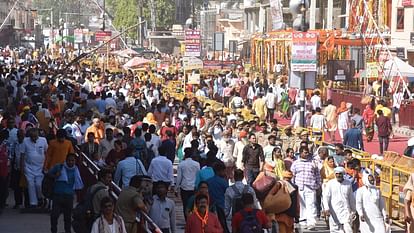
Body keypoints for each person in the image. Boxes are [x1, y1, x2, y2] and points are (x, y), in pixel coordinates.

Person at [48, 153, 84, 233]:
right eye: (69, 160)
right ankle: (53, 230)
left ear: (75, 161)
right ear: (66, 160)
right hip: (57, 195)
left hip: (69, 196)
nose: (70, 162)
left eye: (72, 161)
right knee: (54, 216)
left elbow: (78, 184)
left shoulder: (76, 170)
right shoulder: (59, 167)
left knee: (67, 217)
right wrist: (55, 176)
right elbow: (48, 173)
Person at [290, 146, 321, 230]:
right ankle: (303, 221)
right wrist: (293, 186)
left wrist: (318, 185)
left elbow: (317, 174)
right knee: (301, 205)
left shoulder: (313, 162)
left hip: (310, 186)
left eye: (307, 153)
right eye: (305, 152)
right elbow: (293, 175)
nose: (307, 154)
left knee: (311, 204)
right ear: (300, 153)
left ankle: (311, 222)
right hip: (300, 187)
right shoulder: (296, 163)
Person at [323, 166, 356, 233]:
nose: (338, 175)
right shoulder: (330, 183)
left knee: (348, 228)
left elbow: (351, 198)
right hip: (334, 211)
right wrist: (326, 208)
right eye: (337, 173)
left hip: (345, 210)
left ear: (343, 174)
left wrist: (353, 210)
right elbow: (326, 196)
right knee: (335, 230)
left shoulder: (348, 183)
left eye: (340, 173)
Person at [21, 128, 48, 208]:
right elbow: (22, 155)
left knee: (38, 184)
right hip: (29, 167)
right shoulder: (25, 141)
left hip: (40, 167)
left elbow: (47, 153)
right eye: (32, 137)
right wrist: (22, 167)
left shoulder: (43, 140)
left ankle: (40, 199)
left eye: (35, 137)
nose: (34, 138)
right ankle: (33, 203)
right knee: (31, 184)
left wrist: (46, 166)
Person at [175, 148, 200, 220]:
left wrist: (176, 189)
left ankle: (187, 220)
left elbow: (179, 177)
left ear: (185, 154)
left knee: (185, 205)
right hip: (193, 187)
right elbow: (198, 176)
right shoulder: (196, 164)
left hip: (184, 187)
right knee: (194, 204)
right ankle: (193, 219)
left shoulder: (181, 164)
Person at [207, 162, 230, 233]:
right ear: (219, 171)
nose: (224, 173)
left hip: (210, 206)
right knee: (223, 224)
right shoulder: (223, 182)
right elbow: (227, 193)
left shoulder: (208, 181)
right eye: (223, 171)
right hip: (221, 206)